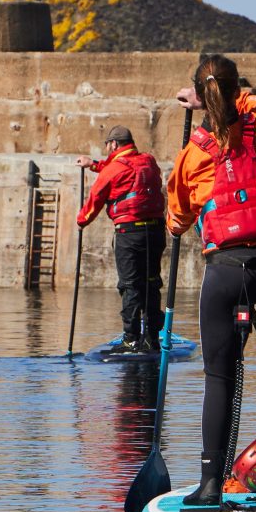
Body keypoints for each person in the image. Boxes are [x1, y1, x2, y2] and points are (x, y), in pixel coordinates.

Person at [165, 54, 256, 506]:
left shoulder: (192, 155)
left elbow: (177, 216)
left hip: (225, 274)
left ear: (202, 97)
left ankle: (210, 485)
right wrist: (225, 95)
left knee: (219, 378)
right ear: (237, 91)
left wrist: (177, 223)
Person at [75, 126, 166, 353]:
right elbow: (120, 169)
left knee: (130, 285)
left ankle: (131, 338)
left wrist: (81, 220)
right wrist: (93, 164)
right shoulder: (149, 161)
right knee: (151, 283)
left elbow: (96, 198)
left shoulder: (113, 169)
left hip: (129, 234)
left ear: (114, 145)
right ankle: (152, 337)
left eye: (107, 146)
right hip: (155, 232)